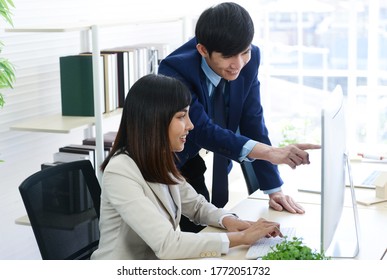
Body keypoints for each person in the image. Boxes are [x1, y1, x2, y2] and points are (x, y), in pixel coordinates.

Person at [158, 2, 320, 232]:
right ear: (203, 50)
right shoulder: (174, 72)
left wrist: (274, 188)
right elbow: (202, 129)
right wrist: (272, 153)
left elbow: (252, 120)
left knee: (211, 225)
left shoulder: (250, 59)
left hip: (201, 157)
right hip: (170, 161)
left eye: (245, 52)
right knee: (192, 232)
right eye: (228, 57)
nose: (239, 64)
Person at [90, 74, 282, 260]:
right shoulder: (121, 171)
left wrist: (230, 221)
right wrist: (240, 238)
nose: (190, 125)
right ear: (154, 120)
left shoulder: (159, 159)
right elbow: (167, 244)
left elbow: (197, 206)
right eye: (182, 116)